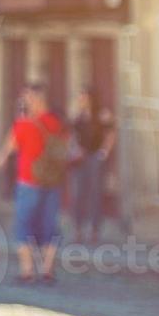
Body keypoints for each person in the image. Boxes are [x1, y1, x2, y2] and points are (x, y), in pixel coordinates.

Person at [0, 82, 70, 284]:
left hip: (28, 181)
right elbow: (67, 145)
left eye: (28, 98)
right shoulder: (56, 122)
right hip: (52, 181)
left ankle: (27, 270)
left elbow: (9, 147)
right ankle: (47, 270)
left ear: (36, 99)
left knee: (23, 226)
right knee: (49, 225)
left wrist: (1, 157)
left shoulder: (24, 123)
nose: (25, 102)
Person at [70, 88, 115, 246]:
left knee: (95, 193)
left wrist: (104, 152)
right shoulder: (78, 117)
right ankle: (78, 229)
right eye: (80, 98)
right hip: (81, 159)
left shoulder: (101, 115)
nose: (81, 101)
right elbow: (73, 136)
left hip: (95, 158)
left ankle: (94, 230)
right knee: (78, 193)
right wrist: (75, 150)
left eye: (84, 98)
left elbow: (110, 134)